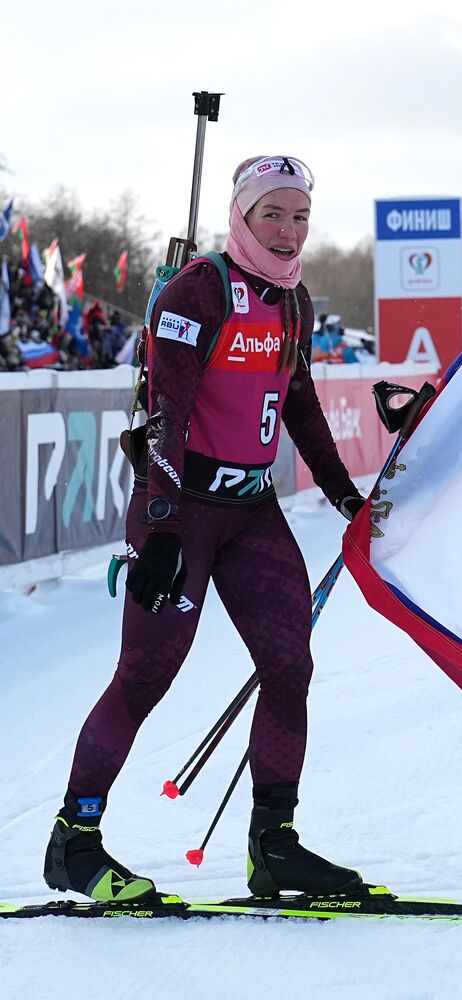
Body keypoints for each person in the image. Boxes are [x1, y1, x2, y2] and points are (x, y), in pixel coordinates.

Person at [44, 155, 371, 903]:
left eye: (300, 216)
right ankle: (73, 842)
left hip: (251, 510)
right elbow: (167, 412)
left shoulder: (293, 302)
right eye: (272, 215)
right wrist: (160, 524)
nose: (288, 232)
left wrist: (345, 497)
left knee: (289, 666)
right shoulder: (199, 289)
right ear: (242, 218)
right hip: (181, 511)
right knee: (145, 675)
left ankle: (273, 846)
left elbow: (300, 403)